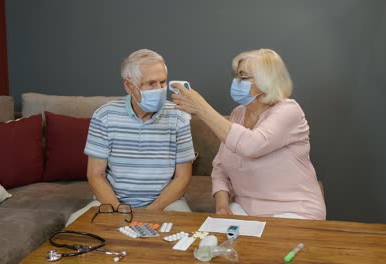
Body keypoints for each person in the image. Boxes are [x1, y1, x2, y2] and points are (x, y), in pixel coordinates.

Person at [171, 48, 326, 220]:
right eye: (236, 76)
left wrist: (201, 108)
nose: (236, 82)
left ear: (266, 80)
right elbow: (220, 167)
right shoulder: (238, 113)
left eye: (243, 77)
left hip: (293, 209)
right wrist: (222, 207)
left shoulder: (289, 111)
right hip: (245, 208)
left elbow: (251, 146)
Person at [66, 49, 195, 226]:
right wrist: (120, 211)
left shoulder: (179, 117)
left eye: (162, 82)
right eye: (150, 83)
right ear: (129, 86)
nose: (159, 89)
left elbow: (183, 177)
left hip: (167, 204)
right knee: (74, 229)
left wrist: (150, 213)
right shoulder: (104, 115)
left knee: (185, 237)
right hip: (111, 204)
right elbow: (96, 174)